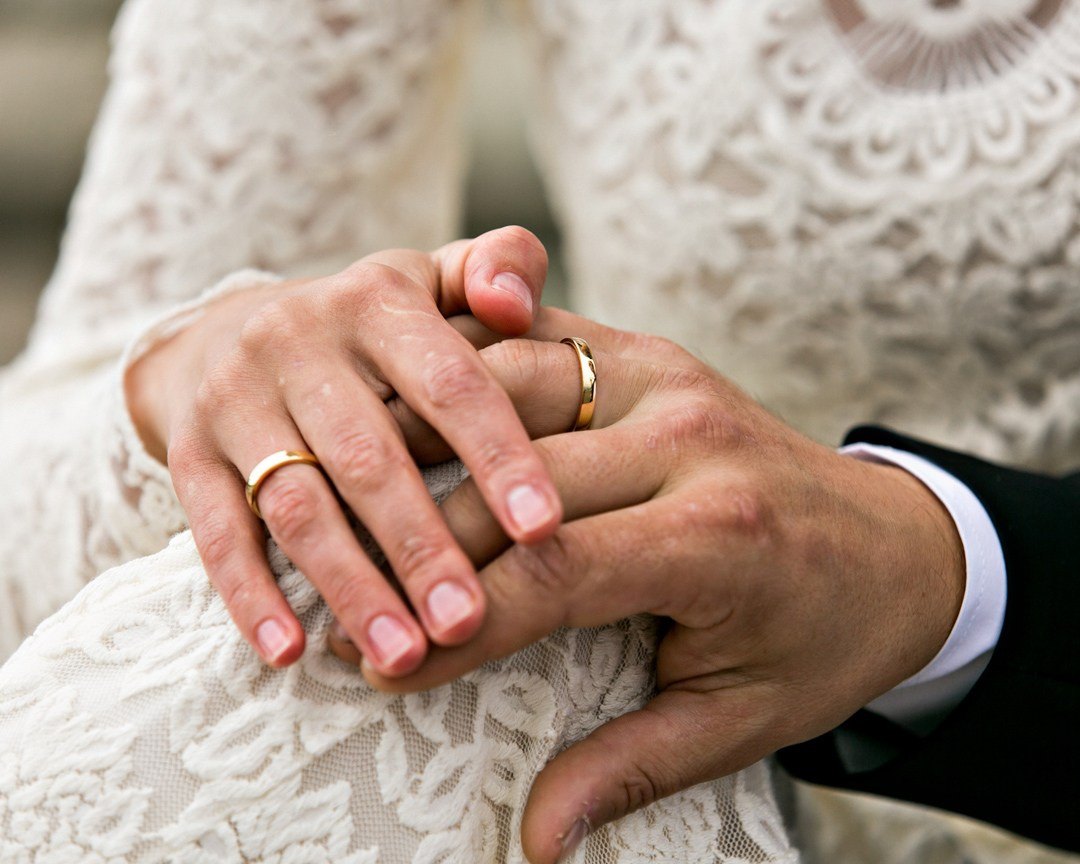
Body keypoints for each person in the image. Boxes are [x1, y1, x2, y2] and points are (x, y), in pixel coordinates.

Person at [0, 0, 1077, 862]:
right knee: (405, 551)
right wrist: (232, 359)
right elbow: (43, 448)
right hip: (665, 706)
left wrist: (947, 571)